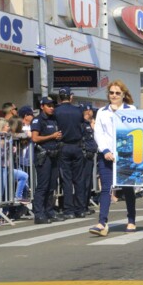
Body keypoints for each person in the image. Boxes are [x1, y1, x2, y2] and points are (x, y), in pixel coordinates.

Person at [90, 80, 138, 236]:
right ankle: (102, 222)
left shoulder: (131, 110)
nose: (114, 95)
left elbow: (135, 131)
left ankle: (131, 220)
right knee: (106, 189)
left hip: (125, 157)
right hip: (107, 156)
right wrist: (105, 150)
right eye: (111, 93)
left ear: (123, 94)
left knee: (128, 189)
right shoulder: (102, 112)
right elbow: (99, 133)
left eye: (118, 93)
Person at [31, 97, 64, 224]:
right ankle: (39, 214)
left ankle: (49, 211)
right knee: (43, 186)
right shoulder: (38, 120)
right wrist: (52, 136)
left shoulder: (53, 119)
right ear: (42, 106)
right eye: (48, 105)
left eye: (52, 105)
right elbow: (34, 138)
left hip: (54, 155)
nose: (51, 107)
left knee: (52, 185)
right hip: (43, 156)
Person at [54, 87, 86, 219]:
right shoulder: (78, 110)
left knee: (66, 179)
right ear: (70, 97)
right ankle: (81, 209)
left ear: (60, 97)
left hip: (64, 146)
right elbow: (82, 126)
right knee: (79, 179)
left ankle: (69, 210)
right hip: (77, 146)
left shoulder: (56, 111)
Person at [80, 103, 98, 214]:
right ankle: (82, 206)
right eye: (91, 111)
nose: (92, 113)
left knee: (88, 183)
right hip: (84, 156)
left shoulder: (88, 124)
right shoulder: (81, 124)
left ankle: (85, 205)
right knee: (84, 182)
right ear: (87, 111)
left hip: (90, 156)